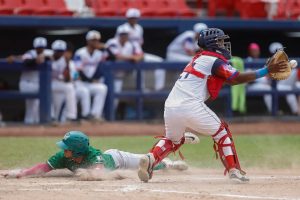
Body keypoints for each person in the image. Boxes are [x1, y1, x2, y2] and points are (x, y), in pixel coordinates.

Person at [137, 28, 287, 183]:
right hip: (190, 105)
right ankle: (234, 171)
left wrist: (267, 71)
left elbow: (229, 79)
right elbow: (236, 78)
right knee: (222, 133)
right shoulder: (213, 60)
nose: (224, 44)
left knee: (172, 140)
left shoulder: (200, 58)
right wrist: (265, 71)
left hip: (171, 106)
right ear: (212, 43)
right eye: (221, 41)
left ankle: (151, 159)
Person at [3, 131, 200, 178]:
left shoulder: (93, 156)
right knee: (145, 162)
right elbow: (43, 167)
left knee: (146, 161)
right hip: (112, 158)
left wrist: (88, 175)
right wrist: (21, 172)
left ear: (77, 149)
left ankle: (170, 164)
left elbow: (98, 170)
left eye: (67, 147)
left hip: (118, 159)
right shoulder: (63, 157)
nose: (63, 150)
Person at [117, 8, 165, 91]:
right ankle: (141, 89)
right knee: (139, 67)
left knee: (160, 62)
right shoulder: (122, 29)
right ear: (128, 18)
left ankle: (159, 88)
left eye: (135, 18)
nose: (133, 20)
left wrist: (139, 54)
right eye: (132, 18)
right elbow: (118, 44)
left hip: (139, 54)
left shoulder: (139, 28)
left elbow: (139, 43)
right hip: (128, 56)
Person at [74, 30, 108, 120]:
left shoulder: (99, 53)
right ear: (88, 41)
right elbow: (78, 71)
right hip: (79, 82)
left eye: (97, 40)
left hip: (90, 82)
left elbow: (112, 58)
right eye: (93, 40)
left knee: (102, 88)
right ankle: (86, 115)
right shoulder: (79, 52)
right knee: (84, 92)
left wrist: (105, 48)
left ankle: (95, 115)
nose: (95, 42)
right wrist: (90, 80)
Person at [19, 37, 53, 124]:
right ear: (35, 47)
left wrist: (44, 57)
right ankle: (29, 123)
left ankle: (35, 123)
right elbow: (26, 61)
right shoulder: (30, 53)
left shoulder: (48, 53)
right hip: (26, 83)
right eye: (38, 47)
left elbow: (54, 56)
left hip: (38, 84)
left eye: (42, 47)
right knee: (31, 105)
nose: (40, 49)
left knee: (36, 104)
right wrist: (35, 60)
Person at [106, 25, 144, 97]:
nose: (124, 36)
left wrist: (137, 58)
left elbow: (141, 55)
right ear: (118, 35)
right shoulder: (112, 42)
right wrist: (133, 57)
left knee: (115, 99)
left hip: (120, 76)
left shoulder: (131, 44)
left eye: (125, 34)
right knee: (105, 96)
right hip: (108, 76)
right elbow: (116, 56)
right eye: (122, 34)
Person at [50, 40, 77, 122]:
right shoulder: (48, 55)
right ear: (53, 50)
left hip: (60, 84)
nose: (60, 53)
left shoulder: (66, 61)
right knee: (55, 108)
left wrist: (67, 63)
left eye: (62, 51)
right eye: (58, 51)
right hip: (50, 84)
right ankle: (51, 118)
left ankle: (71, 116)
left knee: (69, 87)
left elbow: (68, 79)